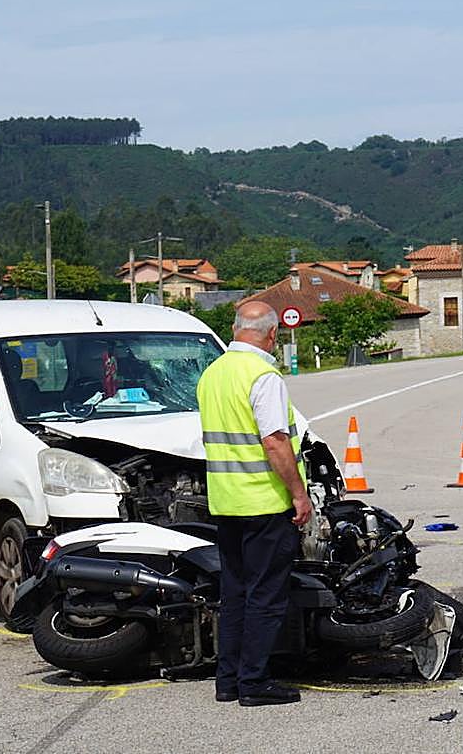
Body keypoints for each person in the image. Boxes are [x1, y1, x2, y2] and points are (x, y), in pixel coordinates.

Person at [197, 300, 312, 707]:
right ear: (273, 333)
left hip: (226, 503)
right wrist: (299, 494)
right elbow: (275, 442)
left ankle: (227, 681)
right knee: (266, 596)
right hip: (263, 502)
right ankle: (255, 682)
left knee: (234, 595)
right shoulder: (263, 375)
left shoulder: (213, 373)